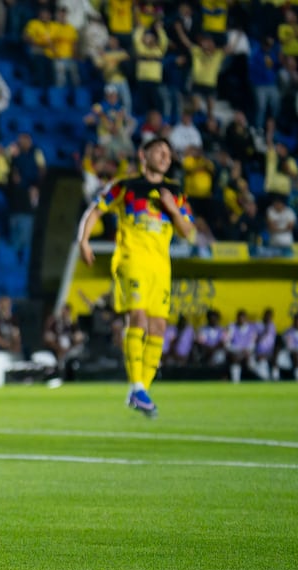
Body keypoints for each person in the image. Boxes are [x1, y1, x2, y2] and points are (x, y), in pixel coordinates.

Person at [77, 137, 195, 417]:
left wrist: (172, 209)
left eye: (169, 153)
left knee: (158, 328)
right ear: (145, 155)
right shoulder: (125, 187)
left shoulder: (175, 192)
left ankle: (140, 391)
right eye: (160, 151)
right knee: (138, 318)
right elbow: (96, 210)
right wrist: (83, 240)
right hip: (132, 260)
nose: (166, 157)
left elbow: (188, 232)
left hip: (161, 267)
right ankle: (138, 385)